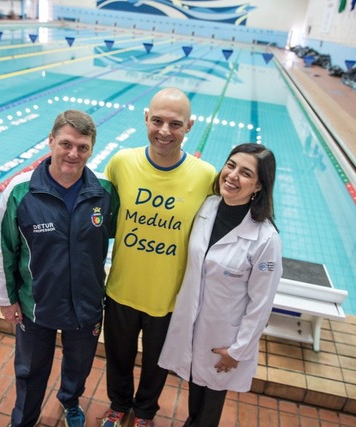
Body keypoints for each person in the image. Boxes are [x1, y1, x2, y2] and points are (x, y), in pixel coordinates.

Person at [0, 110, 118, 427]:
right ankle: (24, 419)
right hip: (36, 304)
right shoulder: (20, 191)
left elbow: (116, 237)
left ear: (92, 149)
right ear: (50, 141)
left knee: (79, 365)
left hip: (86, 304)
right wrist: (6, 299)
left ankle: (70, 401)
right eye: (65, 143)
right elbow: (5, 248)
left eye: (82, 147)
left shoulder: (104, 191)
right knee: (30, 371)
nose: (73, 154)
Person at [101, 87, 217, 427]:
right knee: (118, 357)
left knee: (158, 362)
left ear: (190, 126)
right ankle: (118, 405)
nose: (165, 131)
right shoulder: (121, 163)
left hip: (170, 297)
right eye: (158, 121)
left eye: (175, 124)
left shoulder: (205, 176)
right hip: (122, 287)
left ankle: (146, 413)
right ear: (146, 119)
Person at [158, 143, 283, 427]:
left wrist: (238, 350)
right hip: (193, 324)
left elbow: (261, 304)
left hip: (224, 339)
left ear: (259, 186)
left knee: (210, 404)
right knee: (194, 389)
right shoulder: (208, 206)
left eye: (245, 173)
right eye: (231, 165)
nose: (232, 176)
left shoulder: (265, 239)